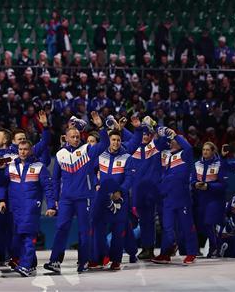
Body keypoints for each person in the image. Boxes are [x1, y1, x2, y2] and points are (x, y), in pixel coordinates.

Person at [44, 113, 108, 274]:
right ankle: (55, 262)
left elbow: (105, 144)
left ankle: (84, 262)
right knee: (61, 228)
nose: (75, 139)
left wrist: (101, 127)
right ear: (66, 138)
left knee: (84, 231)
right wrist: (56, 199)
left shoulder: (87, 150)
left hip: (85, 197)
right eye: (72, 136)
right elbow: (56, 179)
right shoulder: (60, 154)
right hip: (66, 199)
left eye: (77, 136)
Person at [0, 139, 56, 277]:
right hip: (15, 207)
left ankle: (26, 265)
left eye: (25, 149)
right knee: (17, 238)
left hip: (31, 206)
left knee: (28, 236)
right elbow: (1, 183)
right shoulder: (10, 166)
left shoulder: (39, 167)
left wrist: (51, 205)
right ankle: (27, 263)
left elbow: (48, 188)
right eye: (20, 149)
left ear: (30, 151)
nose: (23, 152)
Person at [90, 123, 138, 270]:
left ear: (120, 141)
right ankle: (100, 257)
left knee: (118, 230)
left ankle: (116, 259)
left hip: (120, 199)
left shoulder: (127, 157)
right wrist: (96, 183)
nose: (115, 142)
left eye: (118, 140)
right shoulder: (100, 155)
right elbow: (92, 172)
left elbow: (129, 178)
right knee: (98, 228)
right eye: (113, 140)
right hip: (102, 198)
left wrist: (120, 191)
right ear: (109, 141)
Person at [151, 126, 198, 264]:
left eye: (175, 140)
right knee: (167, 227)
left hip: (182, 197)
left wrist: (176, 135)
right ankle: (166, 252)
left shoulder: (186, 155)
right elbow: (159, 145)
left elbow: (188, 147)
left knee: (186, 226)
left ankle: (191, 253)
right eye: (171, 140)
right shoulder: (168, 156)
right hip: (168, 198)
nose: (171, 141)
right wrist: (163, 133)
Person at [128, 116, 168, 260]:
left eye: (147, 134)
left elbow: (164, 138)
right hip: (139, 191)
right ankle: (147, 248)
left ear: (151, 135)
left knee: (160, 221)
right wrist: (137, 127)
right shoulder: (133, 149)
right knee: (144, 221)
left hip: (154, 190)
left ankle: (167, 247)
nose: (144, 136)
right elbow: (126, 136)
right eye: (143, 134)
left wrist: (155, 125)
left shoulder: (156, 147)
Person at [192, 142, 227, 258]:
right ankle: (215, 246)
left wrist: (209, 186)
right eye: (203, 149)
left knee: (208, 222)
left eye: (207, 150)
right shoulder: (197, 164)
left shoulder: (219, 164)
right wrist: (195, 184)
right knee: (202, 225)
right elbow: (192, 180)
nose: (205, 152)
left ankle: (214, 247)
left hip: (215, 199)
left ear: (213, 151)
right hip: (201, 199)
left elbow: (224, 184)